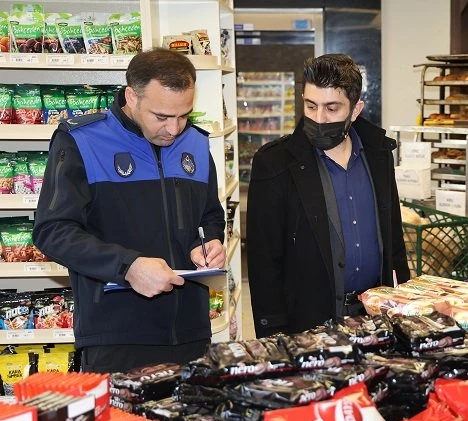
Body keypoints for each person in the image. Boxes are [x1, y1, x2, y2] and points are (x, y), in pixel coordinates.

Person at [32, 48, 226, 373]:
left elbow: (210, 215)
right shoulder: (82, 141)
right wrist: (128, 266)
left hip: (191, 331)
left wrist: (209, 243)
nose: (174, 129)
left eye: (183, 115)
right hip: (116, 335)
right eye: (161, 117)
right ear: (132, 96)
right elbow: (52, 231)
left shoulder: (195, 142)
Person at [247, 53, 409, 338]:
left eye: (332, 108)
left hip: (375, 318)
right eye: (311, 106)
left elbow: (393, 239)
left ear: (356, 110)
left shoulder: (379, 156)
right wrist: (275, 336)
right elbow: (264, 262)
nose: (319, 119)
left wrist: (402, 308)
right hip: (309, 325)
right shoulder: (274, 164)